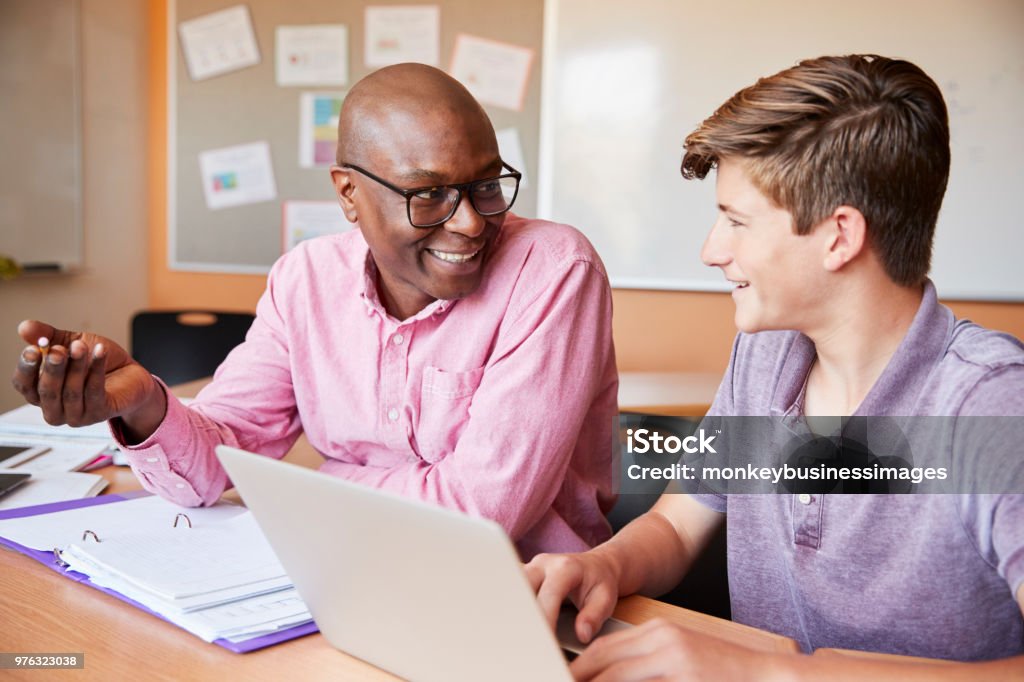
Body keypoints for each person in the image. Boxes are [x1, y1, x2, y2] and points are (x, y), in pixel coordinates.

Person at [527, 54, 1024, 679]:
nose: (711, 250)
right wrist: (605, 565)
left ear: (839, 236)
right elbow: (678, 528)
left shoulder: (989, 402)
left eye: (736, 220)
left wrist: (771, 673)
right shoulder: (764, 356)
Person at [10, 64, 618, 560]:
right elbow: (213, 467)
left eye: (487, 184)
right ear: (349, 194)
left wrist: (309, 485)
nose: (470, 221)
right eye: (429, 193)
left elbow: (481, 515)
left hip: (525, 599)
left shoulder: (553, 268)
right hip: (345, 570)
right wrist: (146, 403)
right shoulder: (305, 280)